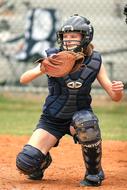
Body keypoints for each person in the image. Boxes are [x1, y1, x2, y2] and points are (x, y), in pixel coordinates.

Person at [16, 14, 124, 187]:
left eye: (74, 36)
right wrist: (42, 68)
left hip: (79, 119)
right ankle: (41, 161)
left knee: (86, 122)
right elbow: (23, 79)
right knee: (26, 162)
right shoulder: (54, 57)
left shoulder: (95, 61)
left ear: (85, 37)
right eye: (65, 36)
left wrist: (118, 91)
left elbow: (114, 97)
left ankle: (94, 173)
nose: (68, 40)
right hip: (53, 119)